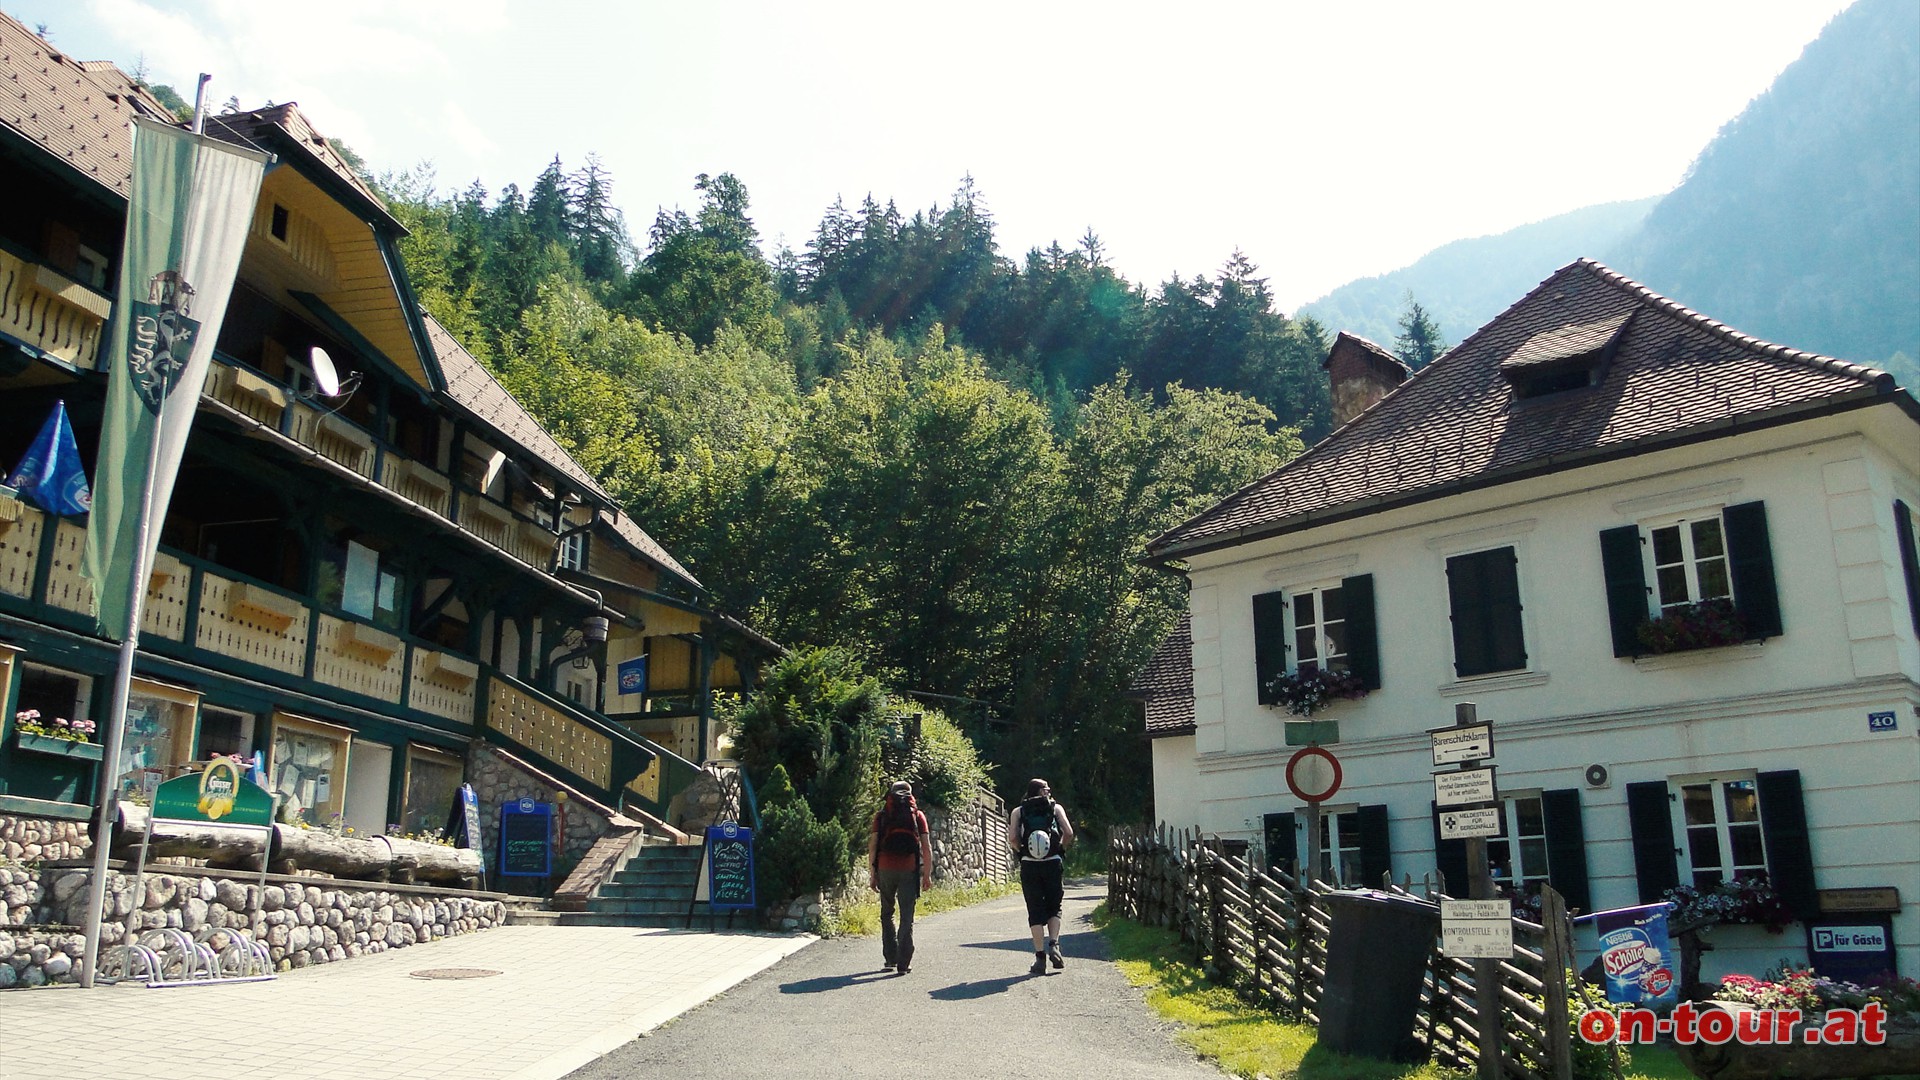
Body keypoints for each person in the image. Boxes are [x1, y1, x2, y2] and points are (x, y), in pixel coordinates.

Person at [867, 779, 933, 974]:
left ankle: (890, 958)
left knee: (887, 912)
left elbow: (873, 845)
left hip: (885, 868)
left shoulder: (881, 816)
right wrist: (926, 874)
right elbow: (926, 847)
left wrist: (873, 872)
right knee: (907, 915)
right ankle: (903, 963)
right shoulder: (917, 815)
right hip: (908, 869)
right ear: (911, 795)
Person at [1008, 777, 1073, 975]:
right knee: (1055, 906)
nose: (1049, 791)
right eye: (1047, 788)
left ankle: (1040, 958)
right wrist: (1059, 849)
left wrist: (1022, 852)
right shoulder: (1055, 808)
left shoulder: (1018, 811)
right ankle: (1054, 944)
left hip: (1029, 866)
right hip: (1052, 862)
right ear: (1041, 791)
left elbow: (1012, 838)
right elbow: (1068, 832)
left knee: (1034, 909)